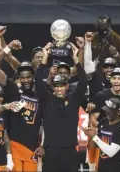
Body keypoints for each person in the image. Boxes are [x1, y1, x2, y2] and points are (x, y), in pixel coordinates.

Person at [35, 42, 87, 172]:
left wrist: (76, 60)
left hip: (70, 151)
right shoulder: (47, 100)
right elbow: (37, 81)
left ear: (67, 86)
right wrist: (44, 60)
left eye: (62, 86)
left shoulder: (74, 100)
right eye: (56, 86)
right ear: (53, 87)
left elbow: (83, 81)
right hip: (51, 152)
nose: (59, 89)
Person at [82, 98, 120, 172]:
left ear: (118, 112)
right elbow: (95, 143)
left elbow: (111, 152)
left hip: (116, 168)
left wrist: (94, 136)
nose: (107, 113)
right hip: (101, 167)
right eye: (106, 110)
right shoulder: (104, 122)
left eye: (110, 111)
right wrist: (92, 167)